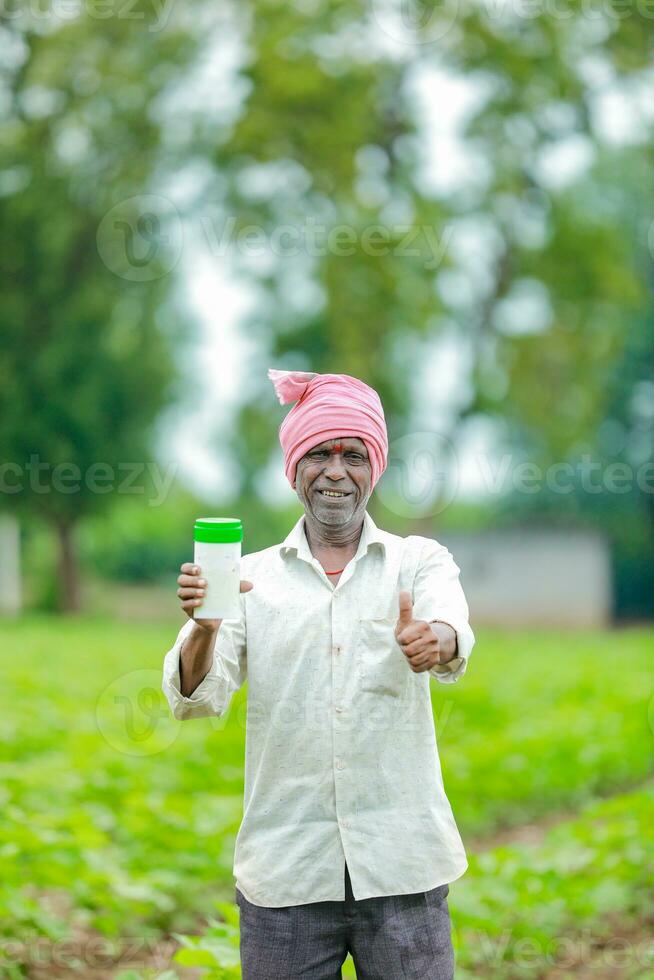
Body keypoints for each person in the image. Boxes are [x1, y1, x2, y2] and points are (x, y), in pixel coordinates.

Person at [162, 368, 476, 980]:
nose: (336, 470)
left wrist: (431, 641)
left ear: (373, 468)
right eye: (320, 455)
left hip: (402, 867)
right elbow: (197, 698)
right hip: (286, 876)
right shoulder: (248, 580)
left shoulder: (418, 562)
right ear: (295, 470)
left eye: (353, 455)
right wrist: (205, 625)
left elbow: (450, 627)